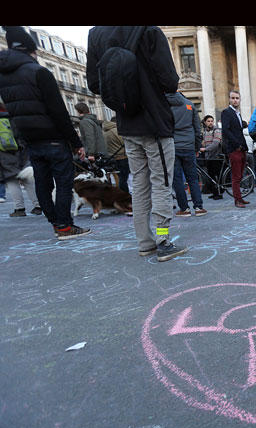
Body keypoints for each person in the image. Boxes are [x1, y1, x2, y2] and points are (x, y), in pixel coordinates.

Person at [87, 26, 187, 261]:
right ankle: (163, 241)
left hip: (127, 124)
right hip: (154, 121)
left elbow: (94, 83)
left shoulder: (96, 34)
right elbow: (170, 81)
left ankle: (145, 242)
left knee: (139, 185)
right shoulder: (149, 30)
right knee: (161, 183)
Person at [0, 26, 89, 240]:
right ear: (31, 49)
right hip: (53, 137)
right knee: (64, 181)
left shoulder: (4, 76)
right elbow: (58, 111)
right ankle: (66, 226)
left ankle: (55, 224)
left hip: (29, 137)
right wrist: (75, 141)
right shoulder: (39, 72)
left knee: (42, 182)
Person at [165, 91, 207, 218]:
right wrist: (197, 146)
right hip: (189, 145)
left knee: (177, 179)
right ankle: (198, 207)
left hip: (172, 145)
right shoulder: (189, 105)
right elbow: (197, 128)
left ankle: (184, 208)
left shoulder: (164, 105)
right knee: (193, 178)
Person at [0, 102, 41, 216]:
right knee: (26, 179)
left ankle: (19, 209)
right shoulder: (12, 117)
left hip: (4, 154)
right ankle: (38, 205)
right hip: (20, 150)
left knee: (12, 180)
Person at [221, 90, 249, 208]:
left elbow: (239, 132)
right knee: (236, 176)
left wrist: (244, 146)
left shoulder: (237, 113)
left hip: (241, 148)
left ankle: (240, 198)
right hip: (234, 149)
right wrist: (237, 144)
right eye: (233, 98)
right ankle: (237, 200)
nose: (235, 100)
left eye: (237, 98)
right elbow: (226, 130)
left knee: (239, 175)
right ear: (229, 99)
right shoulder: (226, 112)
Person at [102, 116, 130, 194]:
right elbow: (124, 143)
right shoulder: (116, 130)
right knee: (123, 178)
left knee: (117, 177)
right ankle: (124, 194)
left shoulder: (104, 131)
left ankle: (120, 193)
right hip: (122, 156)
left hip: (111, 157)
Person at [200, 114, 224, 200]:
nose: (210, 123)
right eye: (208, 121)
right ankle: (214, 192)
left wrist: (206, 149)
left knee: (217, 176)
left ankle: (219, 193)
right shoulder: (205, 131)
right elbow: (204, 142)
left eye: (211, 121)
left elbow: (216, 143)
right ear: (205, 122)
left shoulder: (216, 130)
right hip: (209, 157)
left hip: (216, 156)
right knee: (211, 176)